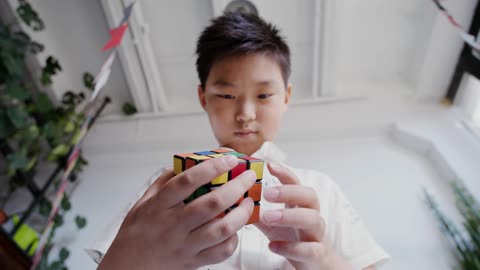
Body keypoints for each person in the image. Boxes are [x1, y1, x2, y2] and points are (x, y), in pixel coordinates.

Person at [90, 12, 389, 270]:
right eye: (226, 95)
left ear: (286, 97)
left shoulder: (321, 189)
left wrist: (323, 259)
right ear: (202, 97)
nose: (245, 114)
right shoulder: (165, 185)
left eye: (263, 95)